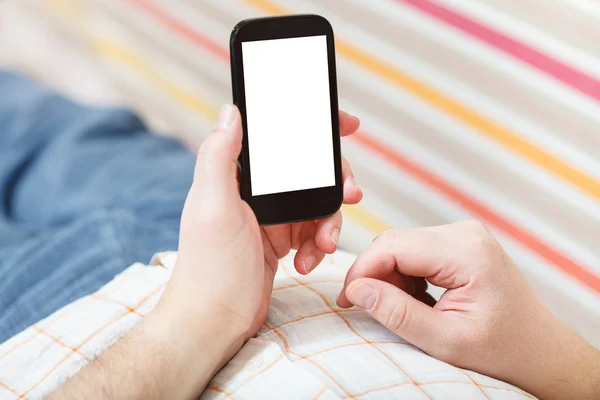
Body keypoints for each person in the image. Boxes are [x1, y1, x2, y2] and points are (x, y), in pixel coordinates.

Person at [0, 72, 598, 399]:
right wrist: (561, 361)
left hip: (68, 324)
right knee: (33, 118)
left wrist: (200, 316)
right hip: (227, 229)